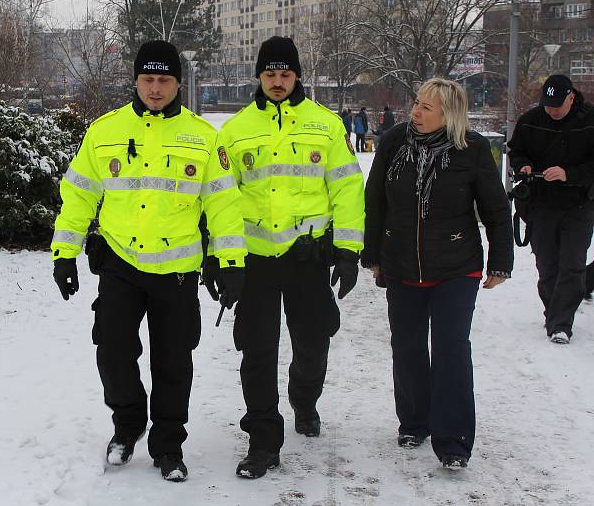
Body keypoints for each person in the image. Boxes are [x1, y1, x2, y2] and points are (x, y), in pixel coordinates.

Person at [50, 40, 247, 482]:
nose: (155, 88)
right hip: (121, 263)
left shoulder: (203, 137)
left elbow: (224, 207)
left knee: (174, 363)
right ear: (135, 80)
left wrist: (230, 263)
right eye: (148, 79)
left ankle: (168, 446)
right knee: (113, 352)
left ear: (178, 83)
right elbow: (78, 196)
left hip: (177, 272)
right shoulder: (104, 131)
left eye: (164, 80)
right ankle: (128, 423)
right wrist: (64, 252)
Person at [204, 36, 365, 479]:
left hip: (307, 258)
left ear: (297, 76)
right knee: (256, 351)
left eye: (286, 74)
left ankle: (304, 399)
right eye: (271, 74)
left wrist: (348, 251)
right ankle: (262, 440)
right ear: (259, 76)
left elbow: (348, 189)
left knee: (313, 343)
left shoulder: (326, 125)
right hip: (255, 261)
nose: (278, 82)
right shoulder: (234, 131)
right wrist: (219, 257)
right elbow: (220, 200)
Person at [362, 78, 514, 469]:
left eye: (427, 108)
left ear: (450, 115)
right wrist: (373, 252)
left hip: (456, 266)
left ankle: (454, 441)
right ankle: (414, 421)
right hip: (401, 263)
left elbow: (495, 209)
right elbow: (375, 199)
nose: (416, 112)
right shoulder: (395, 142)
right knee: (408, 345)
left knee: (450, 349)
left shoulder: (473, 148)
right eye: (417, 104)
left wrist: (501, 260)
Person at [507, 74, 594, 344]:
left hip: (579, 203)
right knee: (547, 265)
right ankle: (554, 312)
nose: (552, 110)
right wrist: (523, 166)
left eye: (557, 105)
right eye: (547, 105)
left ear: (571, 97)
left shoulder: (590, 121)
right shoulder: (531, 120)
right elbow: (515, 151)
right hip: (541, 203)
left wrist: (569, 174)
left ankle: (561, 324)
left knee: (573, 263)